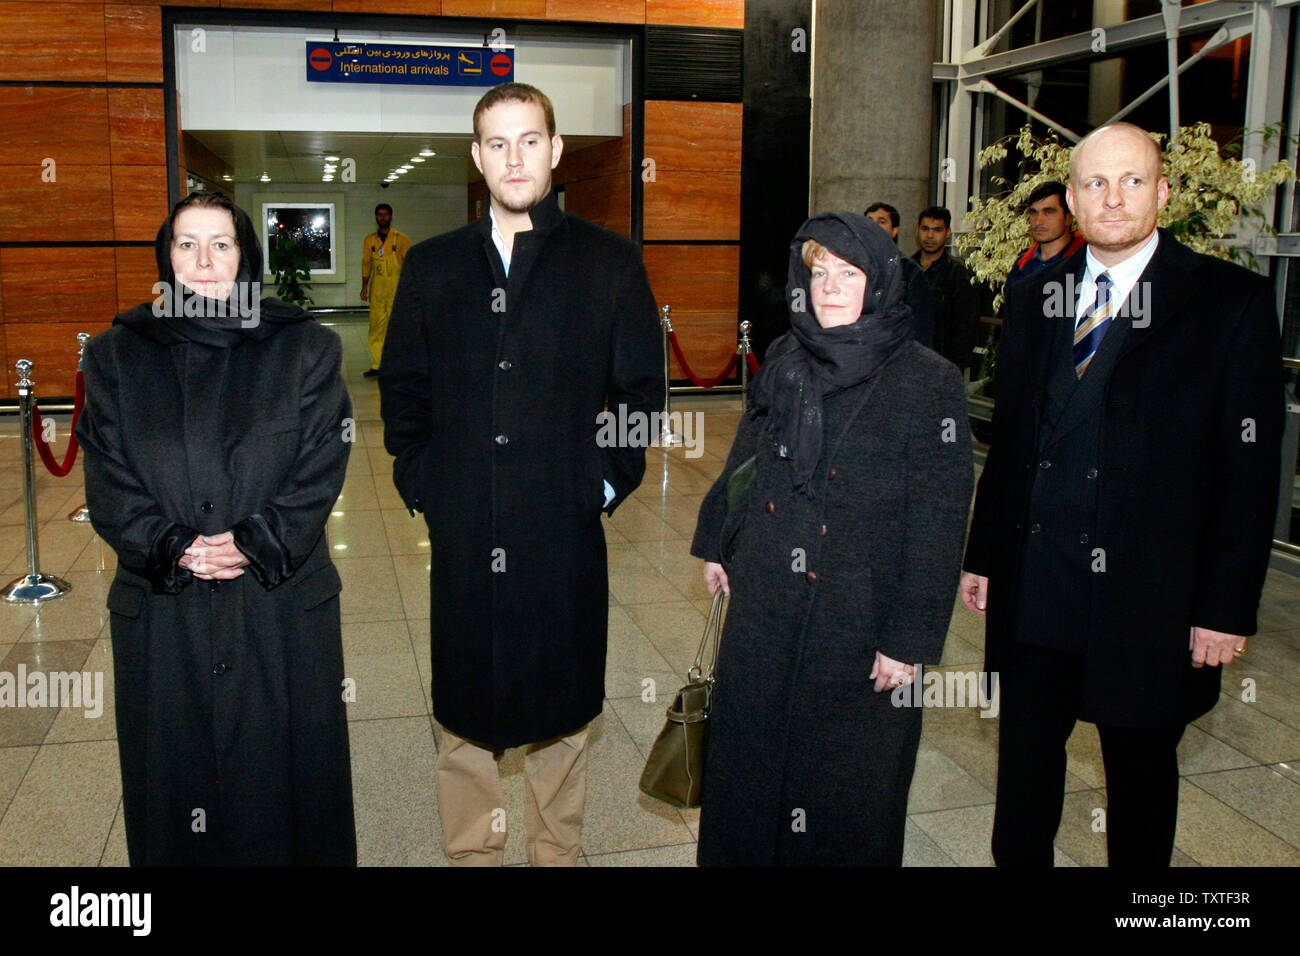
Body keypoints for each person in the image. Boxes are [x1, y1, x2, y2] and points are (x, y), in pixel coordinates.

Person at [959, 122, 1283, 866]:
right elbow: (1011, 441)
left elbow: (1249, 473)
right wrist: (983, 555)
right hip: (1038, 583)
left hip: (1150, 597)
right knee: (1026, 775)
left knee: (1139, 778)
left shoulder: (1228, 302)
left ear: (1163, 192)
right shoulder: (1039, 293)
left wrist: (1224, 608)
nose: (1114, 198)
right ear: (1071, 199)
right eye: (1096, 183)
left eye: (1133, 180)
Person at [378, 82, 663, 866]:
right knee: (464, 709)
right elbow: (402, 389)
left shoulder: (607, 263)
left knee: (562, 712)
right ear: (476, 157)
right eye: (497, 143)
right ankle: (472, 849)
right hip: (467, 526)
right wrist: (425, 483)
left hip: (560, 529)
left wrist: (597, 486)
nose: (514, 158)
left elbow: (640, 396)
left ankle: (553, 851)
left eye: (529, 140)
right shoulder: (434, 267)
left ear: (555, 149)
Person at [76, 191, 356, 866]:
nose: (203, 262)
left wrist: (257, 540)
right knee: (174, 780)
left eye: (220, 245)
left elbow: (322, 460)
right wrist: (171, 546)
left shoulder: (304, 349)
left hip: (278, 603)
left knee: (287, 780)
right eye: (186, 244)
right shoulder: (116, 355)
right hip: (163, 605)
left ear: (245, 257)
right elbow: (108, 478)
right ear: (166, 257)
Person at [690, 212, 973, 866]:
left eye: (850, 273)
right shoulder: (789, 356)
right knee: (751, 771)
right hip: (765, 604)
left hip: (859, 619)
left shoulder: (929, 381)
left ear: (880, 280)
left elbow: (938, 520)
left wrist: (909, 641)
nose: (833, 287)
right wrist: (719, 538)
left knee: (847, 792)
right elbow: (749, 454)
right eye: (820, 273)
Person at [912, 206, 982, 371]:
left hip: (942, 363)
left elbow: (967, 327)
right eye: (925, 229)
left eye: (937, 230)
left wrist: (954, 368)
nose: (930, 236)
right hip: (907, 360)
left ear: (948, 233)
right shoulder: (906, 268)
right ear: (918, 230)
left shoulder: (958, 273)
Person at [865, 201, 936, 348]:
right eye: (869, 221)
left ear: (895, 230)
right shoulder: (852, 267)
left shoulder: (910, 271)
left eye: (881, 222)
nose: (873, 227)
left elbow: (922, 325)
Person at [360, 203, 411, 377]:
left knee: (396, 328)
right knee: (376, 327)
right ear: (376, 217)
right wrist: (364, 287)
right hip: (377, 290)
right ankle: (377, 364)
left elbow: (409, 266)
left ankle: (397, 364)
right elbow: (367, 264)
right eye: (379, 215)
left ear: (391, 216)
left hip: (396, 289)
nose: (382, 218)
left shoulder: (401, 239)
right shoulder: (370, 240)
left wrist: (409, 289)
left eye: (386, 214)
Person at [1004, 181, 1085, 289]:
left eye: (1049, 212)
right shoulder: (1022, 267)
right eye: (1034, 212)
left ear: (1068, 218)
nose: (1038, 221)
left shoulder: (1086, 263)